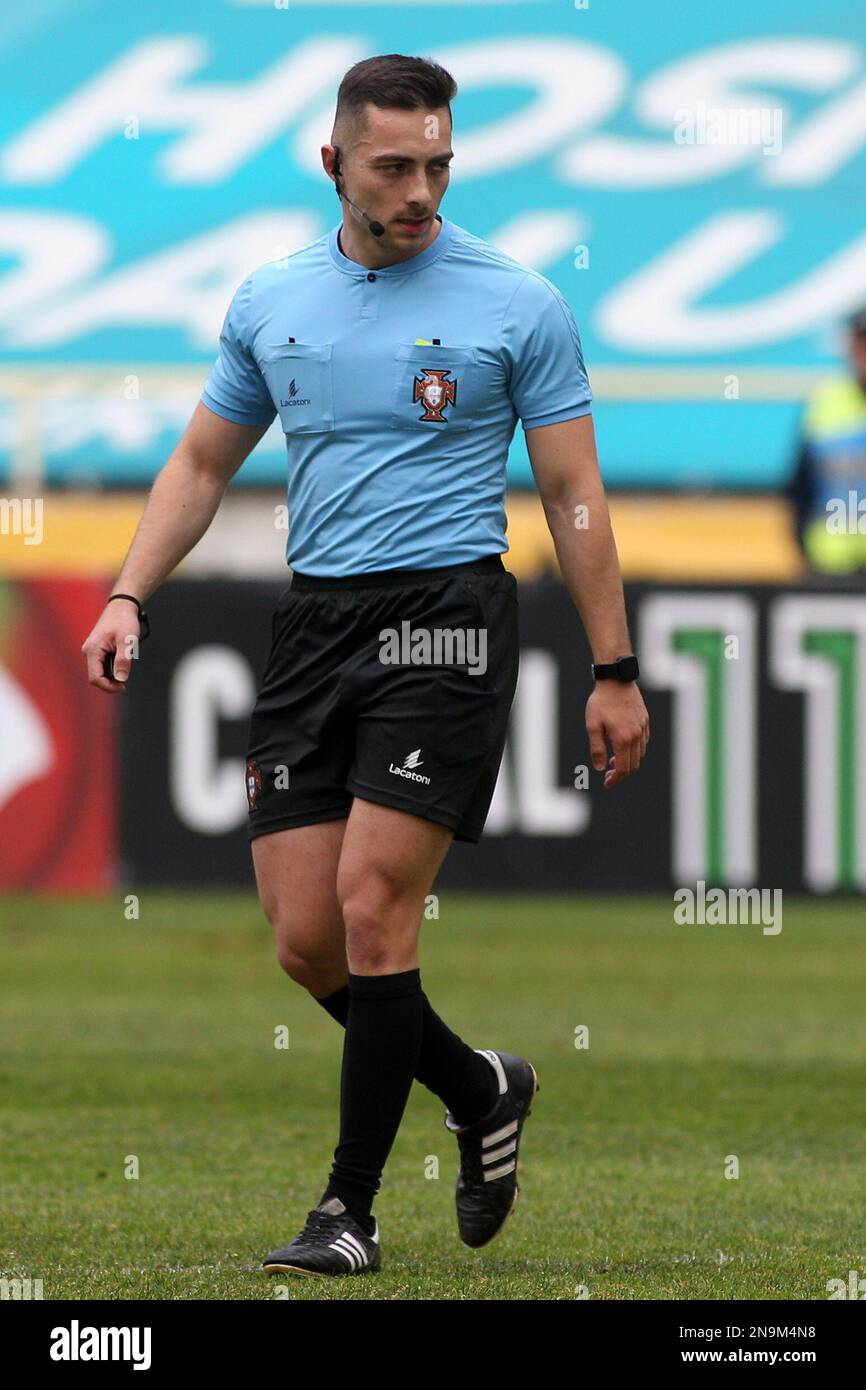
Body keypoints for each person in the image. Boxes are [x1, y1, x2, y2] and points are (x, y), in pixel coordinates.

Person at [81, 53, 649, 1278]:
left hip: (444, 619)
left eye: (438, 164)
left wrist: (614, 664)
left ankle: (348, 1211)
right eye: (394, 167)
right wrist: (130, 591)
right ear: (332, 164)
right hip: (315, 622)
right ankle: (480, 1084)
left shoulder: (519, 303)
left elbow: (573, 495)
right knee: (303, 939)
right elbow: (197, 466)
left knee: (371, 906)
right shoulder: (271, 300)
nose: (420, 191)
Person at [788, 307, 866, 573]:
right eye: (862, 341)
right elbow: (799, 488)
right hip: (829, 565)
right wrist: (804, 549)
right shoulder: (825, 403)